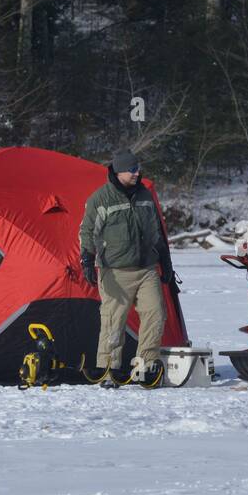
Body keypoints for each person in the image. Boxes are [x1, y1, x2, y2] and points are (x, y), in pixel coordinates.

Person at [79, 148, 176, 388]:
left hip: (146, 268)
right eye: (132, 170)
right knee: (114, 321)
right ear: (119, 172)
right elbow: (87, 232)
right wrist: (87, 259)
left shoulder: (144, 195)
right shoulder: (100, 199)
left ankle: (146, 365)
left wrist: (165, 260)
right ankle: (108, 370)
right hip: (115, 270)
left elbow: (155, 230)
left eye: (138, 169)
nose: (137, 173)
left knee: (156, 314)